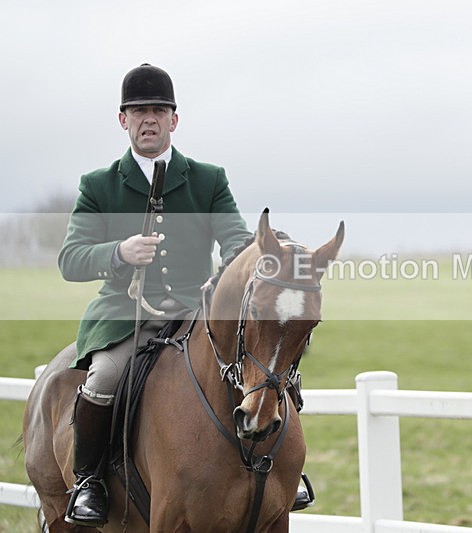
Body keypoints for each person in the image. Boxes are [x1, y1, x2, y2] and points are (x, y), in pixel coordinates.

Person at [58, 63, 254, 527]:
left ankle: (275, 473)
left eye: (158, 111)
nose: (149, 119)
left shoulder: (208, 179)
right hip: (125, 316)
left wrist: (228, 270)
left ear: (174, 120)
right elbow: (71, 259)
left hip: (194, 315)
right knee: (104, 380)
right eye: (139, 111)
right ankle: (89, 482)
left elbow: (236, 240)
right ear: (123, 120)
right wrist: (119, 252)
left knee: (257, 373)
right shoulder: (99, 185)